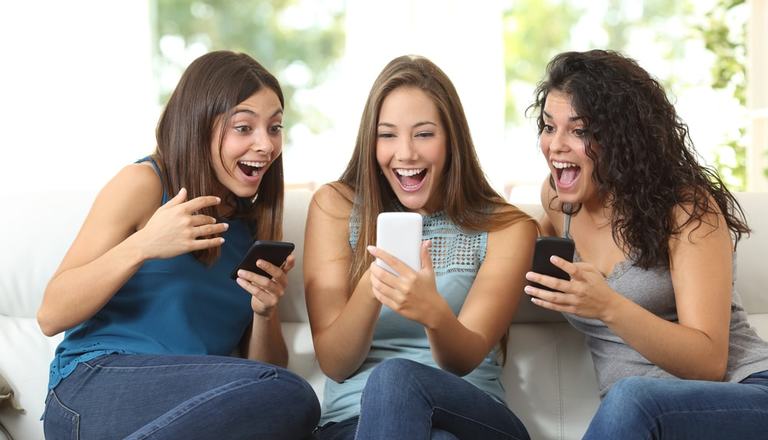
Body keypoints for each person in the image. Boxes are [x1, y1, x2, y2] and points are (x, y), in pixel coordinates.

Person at [37, 50, 320, 439]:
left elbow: (262, 382)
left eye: (274, 128)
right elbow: (51, 314)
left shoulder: (248, 230)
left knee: (288, 401)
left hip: (188, 413)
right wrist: (144, 244)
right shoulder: (145, 184)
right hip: (95, 386)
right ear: (200, 124)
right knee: (292, 395)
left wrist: (264, 313)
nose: (266, 145)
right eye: (244, 127)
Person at [525, 49, 768, 439]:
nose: (556, 145)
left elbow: (709, 362)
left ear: (624, 138)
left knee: (631, 398)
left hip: (743, 393)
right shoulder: (559, 203)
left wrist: (607, 305)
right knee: (629, 400)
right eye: (549, 127)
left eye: (579, 130)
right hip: (642, 423)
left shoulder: (685, 209)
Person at [304, 55, 536, 440]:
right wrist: (372, 286)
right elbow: (335, 363)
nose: (406, 153)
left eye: (424, 134)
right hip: (353, 425)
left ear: (452, 139)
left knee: (397, 379)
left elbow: (463, 361)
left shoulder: (506, 226)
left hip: (472, 416)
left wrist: (434, 314)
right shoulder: (335, 206)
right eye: (388, 134)